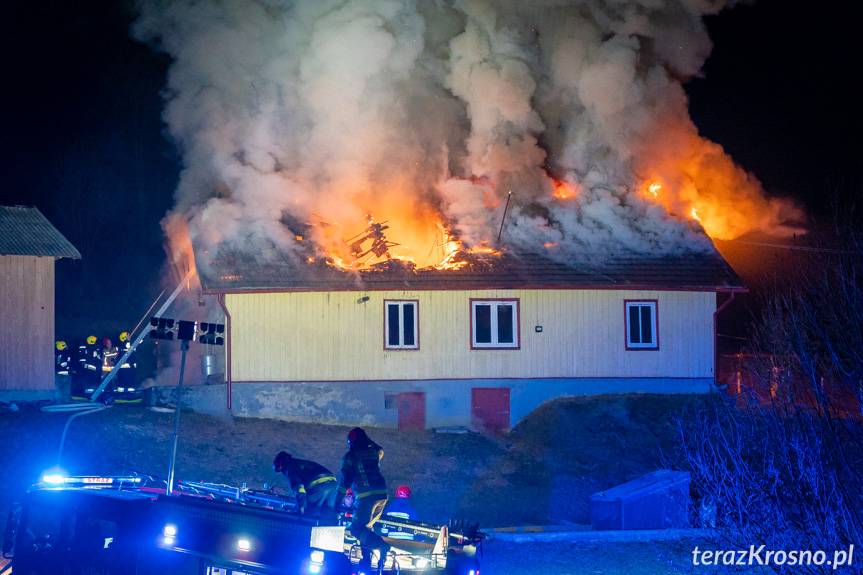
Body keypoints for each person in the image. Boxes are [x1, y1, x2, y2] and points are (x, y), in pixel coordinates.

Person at [336, 427, 389, 569]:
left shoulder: (350, 457)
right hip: (382, 494)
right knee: (365, 529)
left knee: (356, 529)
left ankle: (382, 546)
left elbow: (345, 481)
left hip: (366, 496)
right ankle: (366, 560)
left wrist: (336, 502)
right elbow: (380, 450)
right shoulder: (374, 452)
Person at [272, 451, 338, 514]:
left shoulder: (289, 468)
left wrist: (300, 509)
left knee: (308, 511)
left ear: (280, 466)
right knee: (326, 511)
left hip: (319, 485)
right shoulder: (298, 463)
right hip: (333, 483)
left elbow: (299, 490)